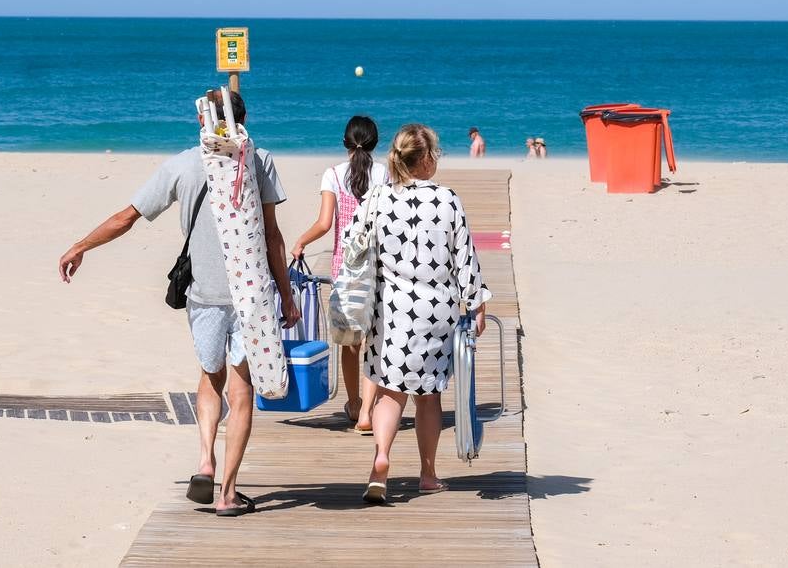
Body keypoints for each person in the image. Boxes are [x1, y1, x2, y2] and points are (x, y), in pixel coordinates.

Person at [57, 89, 299, 518]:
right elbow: (273, 236)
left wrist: (81, 246)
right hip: (250, 297)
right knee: (241, 390)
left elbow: (127, 217)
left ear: (202, 121)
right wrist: (285, 293)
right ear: (244, 120)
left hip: (202, 295)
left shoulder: (183, 165)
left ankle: (204, 459)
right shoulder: (257, 160)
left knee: (210, 378)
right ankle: (227, 494)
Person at [359, 124, 491, 504]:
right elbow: (464, 257)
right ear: (427, 158)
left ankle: (380, 459)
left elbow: (357, 244)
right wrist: (477, 304)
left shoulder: (379, 197)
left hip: (390, 307)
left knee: (389, 391)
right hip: (436, 309)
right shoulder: (447, 200)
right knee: (428, 397)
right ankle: (428, 474)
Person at [290, 116, 388, 432]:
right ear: (374, 143)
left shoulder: (332, 175)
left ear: (345, 142)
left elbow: (324, 224)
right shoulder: (384, 173)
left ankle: (354, 403)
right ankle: (370, 410)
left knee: (350, 343)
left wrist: (300, 241)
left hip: (344, 272)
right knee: (378, 339)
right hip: (379, 269)